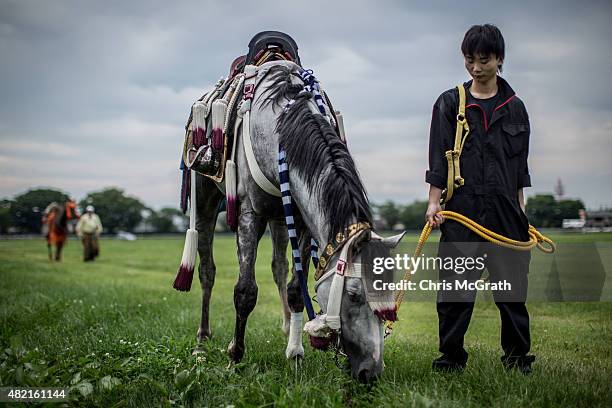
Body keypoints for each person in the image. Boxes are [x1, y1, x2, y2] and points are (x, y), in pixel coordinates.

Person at [425, 24, 535, 374]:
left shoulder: (516, 108)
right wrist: (433, 203)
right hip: (462, 209)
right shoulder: (449, 102)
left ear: (500, 59)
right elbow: (437, 159)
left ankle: (517, 359)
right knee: (455, 293)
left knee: (512, 293)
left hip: (505, 211)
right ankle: (451, 358)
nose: (475, 67)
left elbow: (520, 168)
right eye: (469, 60)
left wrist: (521, 212)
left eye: (483, 60)